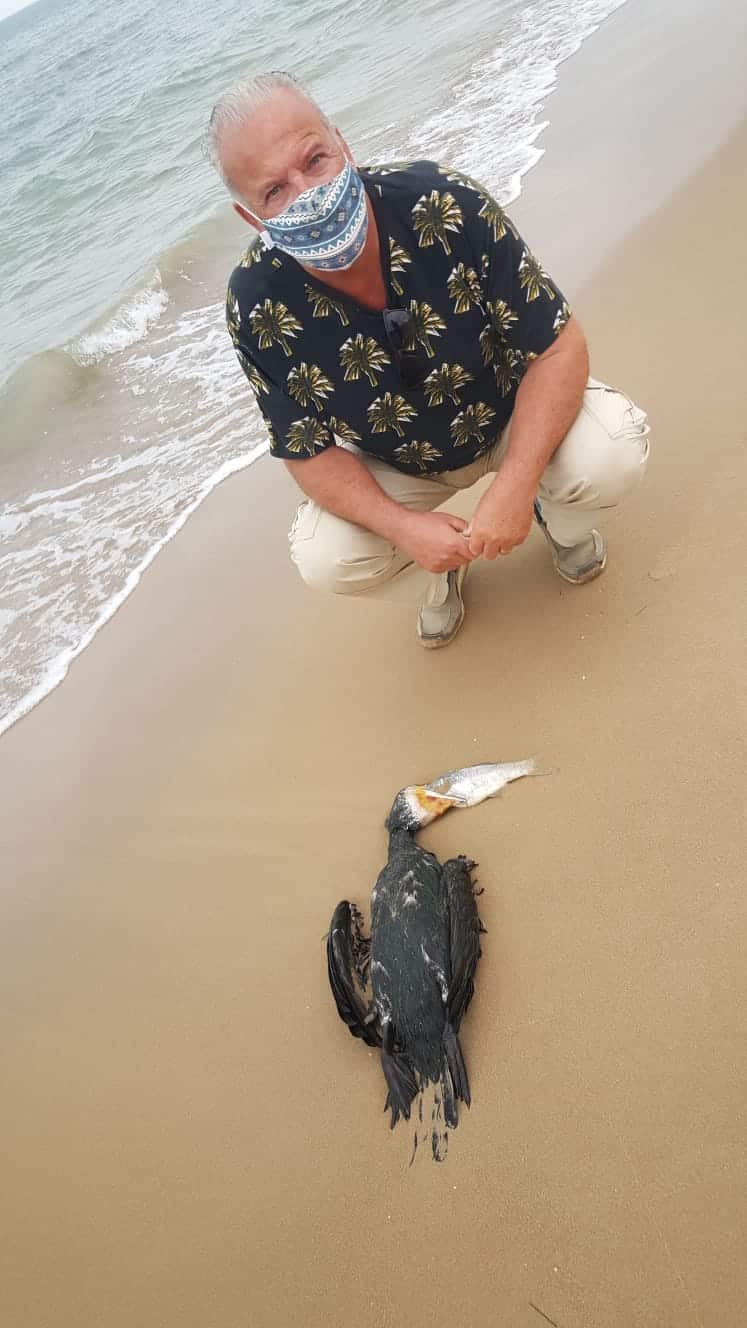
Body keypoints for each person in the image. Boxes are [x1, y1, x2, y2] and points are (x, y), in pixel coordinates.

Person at [209, 71, 650, 648]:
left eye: (314, 160)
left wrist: (516, 488)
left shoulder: (441, 201)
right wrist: (405, 529)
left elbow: (558, 345)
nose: (306, 193)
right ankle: (439, 576)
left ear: (342, 145)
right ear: (251, 218)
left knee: (610, 452)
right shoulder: (256, 303)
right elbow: (307, 450)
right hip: (400, 461)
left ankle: (557, 520)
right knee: (327, 558)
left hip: (512, 410)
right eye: (274, 191)